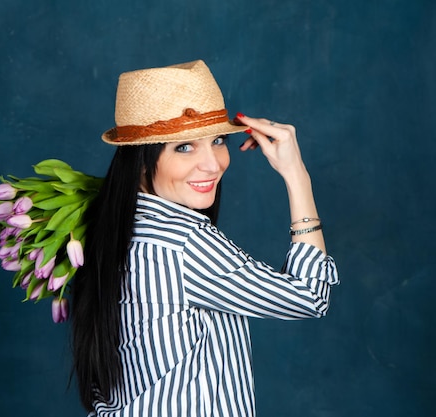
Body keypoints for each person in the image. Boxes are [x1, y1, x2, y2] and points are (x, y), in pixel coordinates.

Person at [71, 60, 339, 416]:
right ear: (142, 160)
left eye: (217, 140)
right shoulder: (182, 241)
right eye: (185, 147)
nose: (213, 164)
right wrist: (296, 175)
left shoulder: (112, 229)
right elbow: (308, 296)